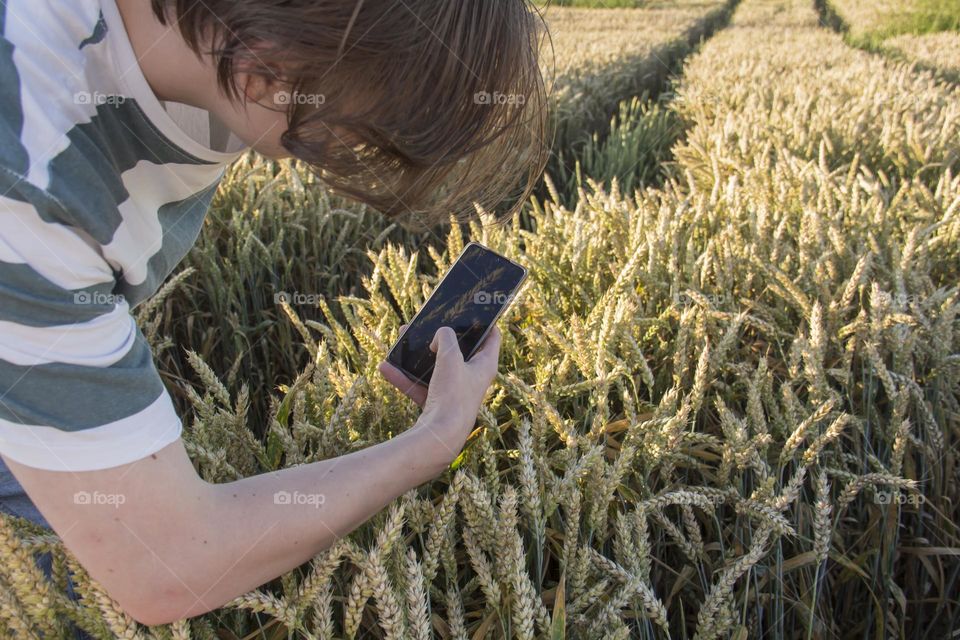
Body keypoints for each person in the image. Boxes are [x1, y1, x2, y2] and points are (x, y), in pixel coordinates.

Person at [0, 0, 546, 626]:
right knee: (64, 603)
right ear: (266, 66)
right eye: (365, 131)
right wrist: (435, 438)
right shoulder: (26, 183)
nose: (355, 159)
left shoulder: (226, 62)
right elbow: (167, 566)